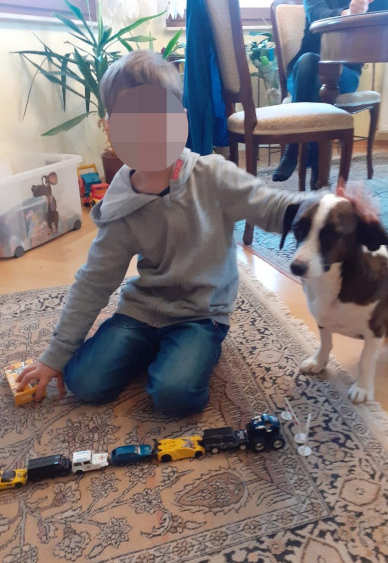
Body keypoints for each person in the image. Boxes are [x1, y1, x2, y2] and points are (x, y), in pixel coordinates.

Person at [17, 50, 306, 418]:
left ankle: (186, 352)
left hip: (200, 314)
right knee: (84, 382)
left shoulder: (213, 175)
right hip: (143, 309)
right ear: (110, 129)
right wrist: (54, 356)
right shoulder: (121, 201)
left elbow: (273, 207)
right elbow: (94, 281)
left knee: (174, 395)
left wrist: (320, 209)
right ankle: (154, 350)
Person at [272, 0, 376, 185]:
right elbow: (316, 14)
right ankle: (315, 166)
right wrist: (349, 13)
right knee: (308, 62)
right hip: (303, 73)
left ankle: (295, 151)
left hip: (345, 71)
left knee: (321, 82)